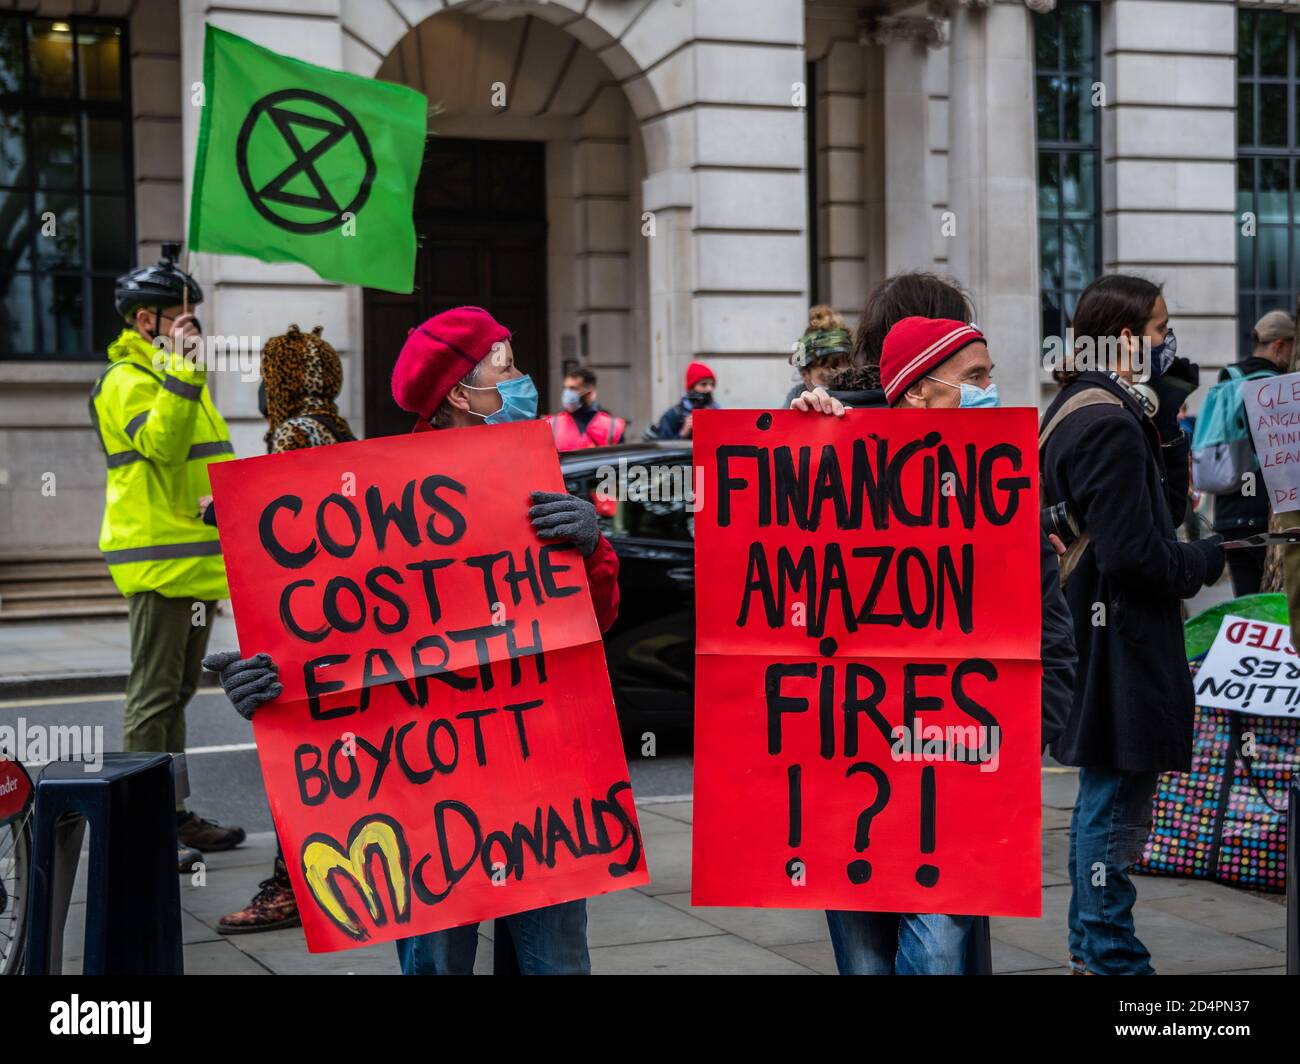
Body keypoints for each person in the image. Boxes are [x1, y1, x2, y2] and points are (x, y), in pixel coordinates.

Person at [203, 306, 621, 974]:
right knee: (435, 963)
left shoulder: (535, 472)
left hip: (541, 782)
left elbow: (593, 624)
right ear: (461, 392)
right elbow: (321, 631)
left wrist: (593, 548)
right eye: (506, 366)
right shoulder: (375, 498)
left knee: (556, 961)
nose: (525, 379)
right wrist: (261, 680)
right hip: (425, 795)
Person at [790, 273, 1076, 975]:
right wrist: (796, 439)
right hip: (848, 770)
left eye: (990, 374)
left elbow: (1050, 629)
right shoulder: (832, 456)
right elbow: (763, 579)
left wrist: (1029, 726)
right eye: (974, 375)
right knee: (866, 958)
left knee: (943, 951)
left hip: (959, 765)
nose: (991, 389)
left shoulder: (1007, 491)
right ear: (917, 386)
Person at [1040, 273, 1225, 976]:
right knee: (1116, 806)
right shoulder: (1108, 422)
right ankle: (1113, 958)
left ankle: (1091, 950)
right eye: (1158, 329)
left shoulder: (1084, 407)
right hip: (1119, 640)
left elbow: (1156, 515)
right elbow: (1139, 554)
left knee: (1102, 795)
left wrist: (1169, 430)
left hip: (1094, 630)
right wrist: (1203, 560)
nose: (1166, 341)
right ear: (1123, 339)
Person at [92, 244, 245, 873]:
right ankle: (140, 825)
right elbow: (162, 444)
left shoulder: (174, 375)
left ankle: (171, 812)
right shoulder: (125, 382)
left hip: (199, 566)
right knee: (154, 695)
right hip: (161, 567)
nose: (192, 325)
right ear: (145, 320)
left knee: (178, 691)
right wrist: (184, 372)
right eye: (180, 314)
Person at [203, 324, 357, 935]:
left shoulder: (294, 432)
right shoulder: (339, 429)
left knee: (297, 755)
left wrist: (229, 513)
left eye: (271, 377)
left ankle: (292, 886)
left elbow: (288, 523)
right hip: (341, 617)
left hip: (305, 622)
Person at [1212, 310, 1296, 595]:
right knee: (1275, 608)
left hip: (1229, 514)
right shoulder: (1278, 387)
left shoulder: (1228, 378)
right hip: (1264, 513)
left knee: (1246, 602)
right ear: (1280, 346)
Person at [781, 305, 852, 407]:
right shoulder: (796, 396)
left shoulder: (860, 393)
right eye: (826, 378)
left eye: (846, 375)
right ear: (805, 375)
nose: (838, 384)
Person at [547, 364, 626, 450]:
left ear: (590, 393)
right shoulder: (552, 424)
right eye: (565, 388)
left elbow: (622, 461)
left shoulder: (613, 427)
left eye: (573, 388)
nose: (567, 393)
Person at [651, 361, 717, 439]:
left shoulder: (716, 411)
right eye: (703, 384)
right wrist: (683, 433)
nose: (709, 389)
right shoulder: (673, 415)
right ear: (692, 388)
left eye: (712, 384)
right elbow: (662, 447)